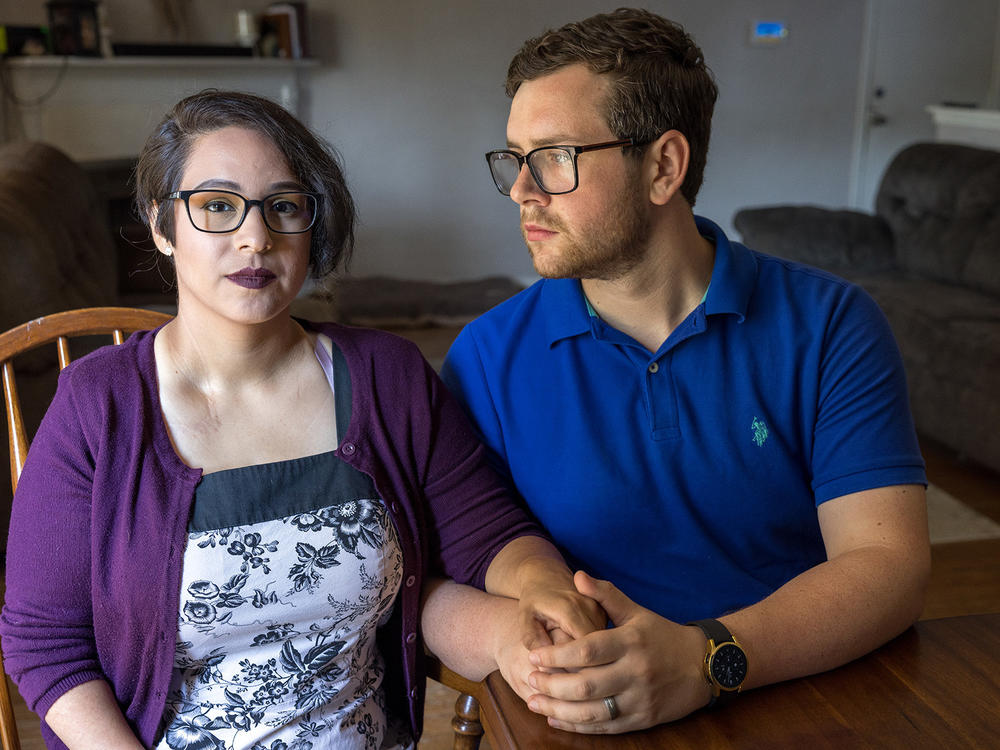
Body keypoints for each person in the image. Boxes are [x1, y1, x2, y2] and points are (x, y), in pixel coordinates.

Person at [0, 90, 602, 750]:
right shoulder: (97, 406)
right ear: (162, 226)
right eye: (218, 207)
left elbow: (486, 536)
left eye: (284, 207)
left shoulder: (388, 376)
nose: (255, 238)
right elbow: (46, 644)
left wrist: (535, 605)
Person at [429, 7, 931, 735]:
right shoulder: (485, 357)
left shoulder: (831, 326)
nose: (521, 190)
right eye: (514, 157)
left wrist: (708, 659)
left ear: (664, 166)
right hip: (585, 718)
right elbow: (444, 576)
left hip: (800, 696)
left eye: (554, 158)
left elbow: (888, 565)